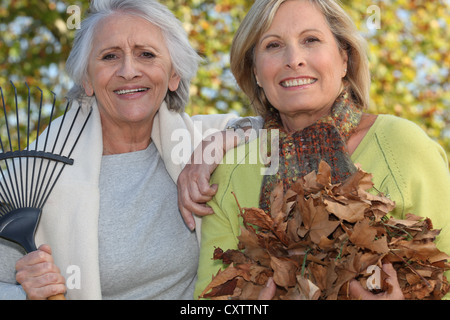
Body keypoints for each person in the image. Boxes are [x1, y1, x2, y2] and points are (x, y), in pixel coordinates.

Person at [192, 0, 450, 300]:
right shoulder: (231, 170)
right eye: (273, 45)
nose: (294, 59)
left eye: (310, 40)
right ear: (256, 73)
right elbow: (207, 299)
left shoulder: (403, 145)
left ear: (344, 58)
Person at [0, 0, 253, 300]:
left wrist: (216, 144)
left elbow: (283, 129)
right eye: (110, 56)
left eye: (146, 54)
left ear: (174, 75)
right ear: (87, 79)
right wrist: (21, 294)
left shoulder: (201, 139)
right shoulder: (34, 175)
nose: (128, 71)